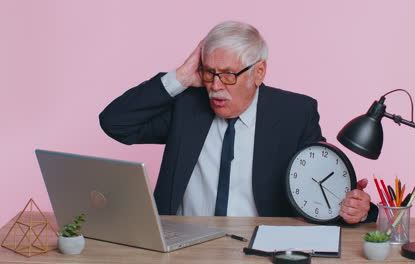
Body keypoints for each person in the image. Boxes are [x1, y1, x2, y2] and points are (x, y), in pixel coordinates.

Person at [99, 21, 377, 224]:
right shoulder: (187, 106)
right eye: (209, 73)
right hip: (182, 243)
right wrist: (181, 78)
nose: (216, 87)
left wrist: (356, 208)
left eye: (229, 75)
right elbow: (115, 123)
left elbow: (319, 187)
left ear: (258, 72)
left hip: (259, 245)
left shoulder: (295, 112)